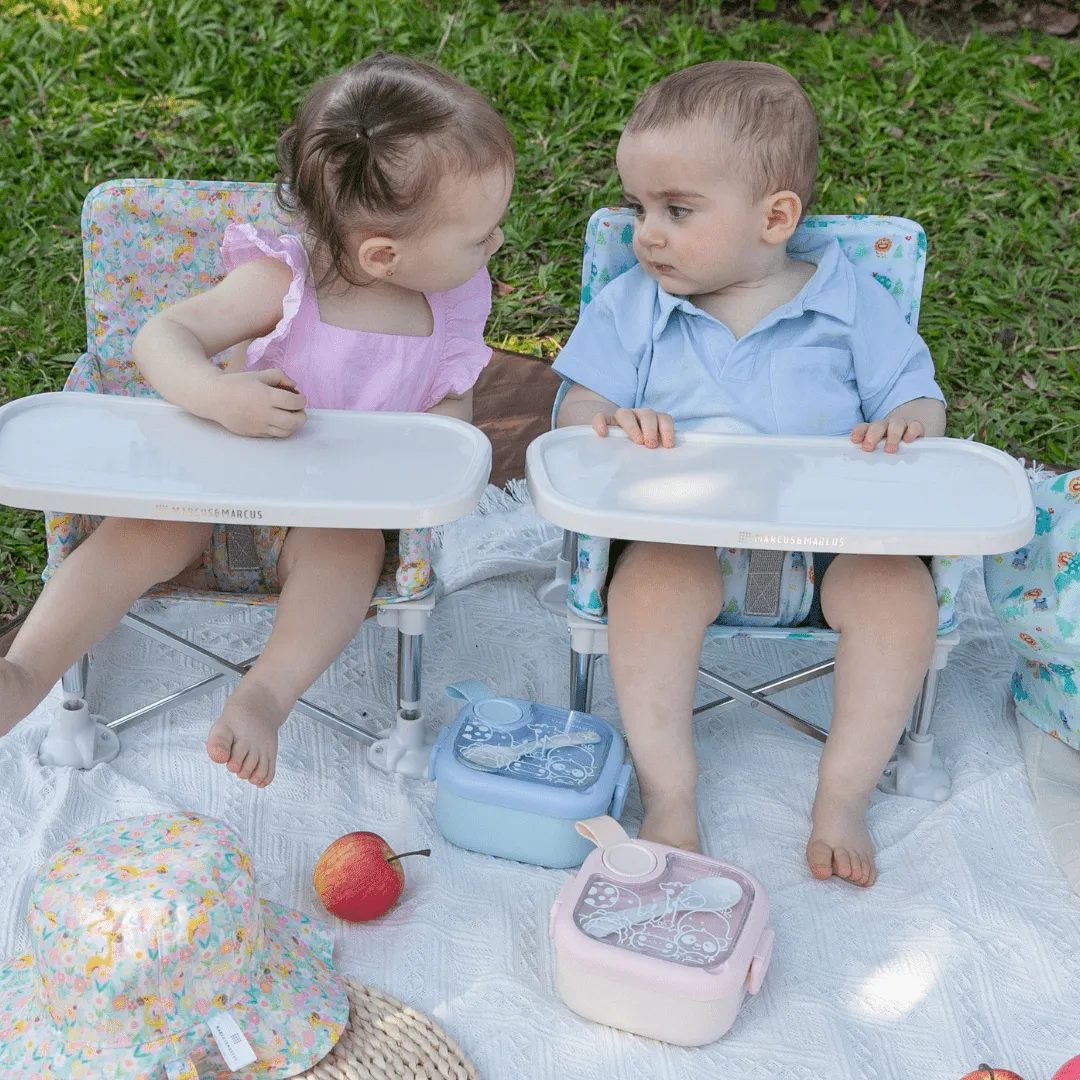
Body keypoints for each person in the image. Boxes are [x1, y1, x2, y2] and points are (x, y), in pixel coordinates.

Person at [0, 52, 514, 787]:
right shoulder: (282, 281)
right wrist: (216, 395)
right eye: (480, 235)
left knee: (348, 556)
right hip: (207, 496)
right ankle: (27, 670)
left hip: (330, 515)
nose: (495, 245)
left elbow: (448, 423)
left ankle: (266, 693)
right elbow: (161, 338)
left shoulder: (451, 308)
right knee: (135, 533)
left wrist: (441, 452)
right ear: (382, 253)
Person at [553, 60, 946, 886]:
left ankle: (842, 794)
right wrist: (614, 424)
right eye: (638, 209)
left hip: (833, 542)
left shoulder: (848, 300)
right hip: (684, 539)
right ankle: (671, 792)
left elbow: (918, 399)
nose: (647, 233)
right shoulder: (635, 304)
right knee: (649, 593)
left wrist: (904, 427)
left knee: (902, 598)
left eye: (677, 210)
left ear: (775, 217)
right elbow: (572, 417)